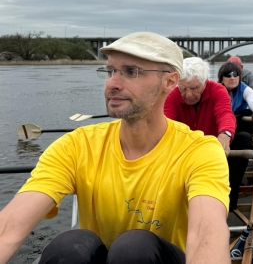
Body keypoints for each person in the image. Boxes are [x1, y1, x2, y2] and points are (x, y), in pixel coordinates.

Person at [0, 32, 230, 264]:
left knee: (134, 248)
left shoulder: (200, 151)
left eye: (131, 72)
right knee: (68, 247)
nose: (112, 83)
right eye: (110, 71)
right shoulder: (76, 145)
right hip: (106, 256)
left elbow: (205, 234)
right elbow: (9, 227)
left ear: (169, 82)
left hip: (158, 256)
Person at [164, 57, 253, 210]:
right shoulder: (172, 94)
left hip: (213, 144)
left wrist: (225, 136)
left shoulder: (217, 90)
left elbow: (225, 114)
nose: (188, 94)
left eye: (194, 88)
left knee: (244, 139)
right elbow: (166, 122)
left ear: (205, 82)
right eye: (183, 88)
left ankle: (230, 198)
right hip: (185, 146)